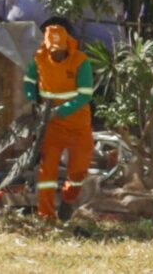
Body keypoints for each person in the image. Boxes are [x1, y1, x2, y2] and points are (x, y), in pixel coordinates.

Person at [24, 23, 94, 221]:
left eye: (60, 50)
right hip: (51, 126)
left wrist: (60, 111)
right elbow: (29, 80)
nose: (57, 54)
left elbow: (85, 95)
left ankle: (68, 199)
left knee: (78, 171)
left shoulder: (80, 61)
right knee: (47, 171)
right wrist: (32, 99)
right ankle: (46, 216)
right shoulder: (39, 58)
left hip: (78, 125)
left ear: (67, 45)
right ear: (47, 46)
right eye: (53, 50)